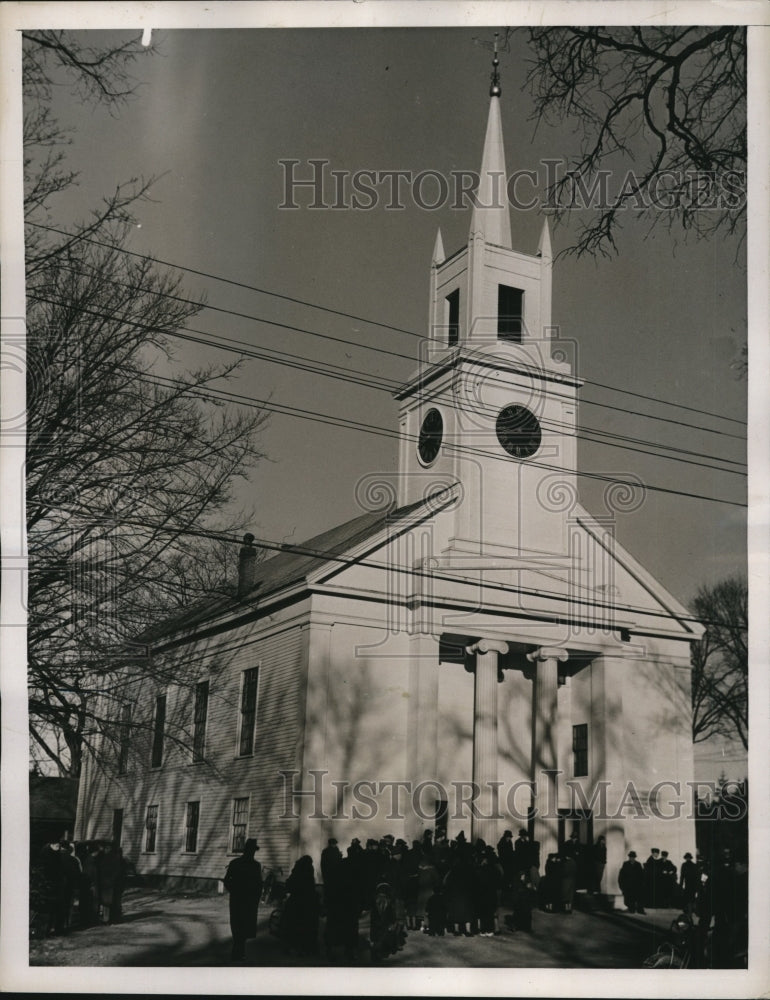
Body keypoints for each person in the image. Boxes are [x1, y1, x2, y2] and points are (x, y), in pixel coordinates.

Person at [223, 838, 263, 960]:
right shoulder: (255, 866)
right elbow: (259, 885)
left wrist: (234, 891)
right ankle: (239, 951)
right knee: (243, 925)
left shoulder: (235, 863)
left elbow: (227, 881)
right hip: (247, 900)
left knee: (238, 924)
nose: (252, 853)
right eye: (252, 850)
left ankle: (238, 950)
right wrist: (255, 897)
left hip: (239, 899)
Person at [280, 855, 320, 956]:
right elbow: (311, 887)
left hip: (296, 901)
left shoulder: (296, 872)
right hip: (307, 902)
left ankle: (293, 946)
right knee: (307, 925)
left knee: (293, 924)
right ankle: (307, 947)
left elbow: (289, 886)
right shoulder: (309, 873)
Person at [679, 852, 699, 917]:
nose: (688, 859)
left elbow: (696, 876)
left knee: (690, 898)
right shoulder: (686, 865)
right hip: (689, 883)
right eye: (687, 858)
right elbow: (682, 876)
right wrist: (681, 884)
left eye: (688, 858)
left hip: (691, 883)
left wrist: (681, 885)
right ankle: (691, 910)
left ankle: (691, 911)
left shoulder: (689, 865)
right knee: (690, 898)